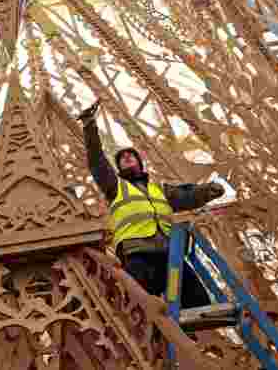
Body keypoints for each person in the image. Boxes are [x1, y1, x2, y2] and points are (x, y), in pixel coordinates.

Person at [77, 100, 225, 309]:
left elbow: (187, 196)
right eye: (123, 158)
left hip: (168, 251)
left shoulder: (160, 190)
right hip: (137, 253)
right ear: (118, 167)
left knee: (197, 300)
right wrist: (89, 125)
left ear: (140, 163)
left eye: (131, 156)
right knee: (141, 304)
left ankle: (187, 332)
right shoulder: (115, 187)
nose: (127, 158)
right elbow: (97, 161)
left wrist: (209, 190)